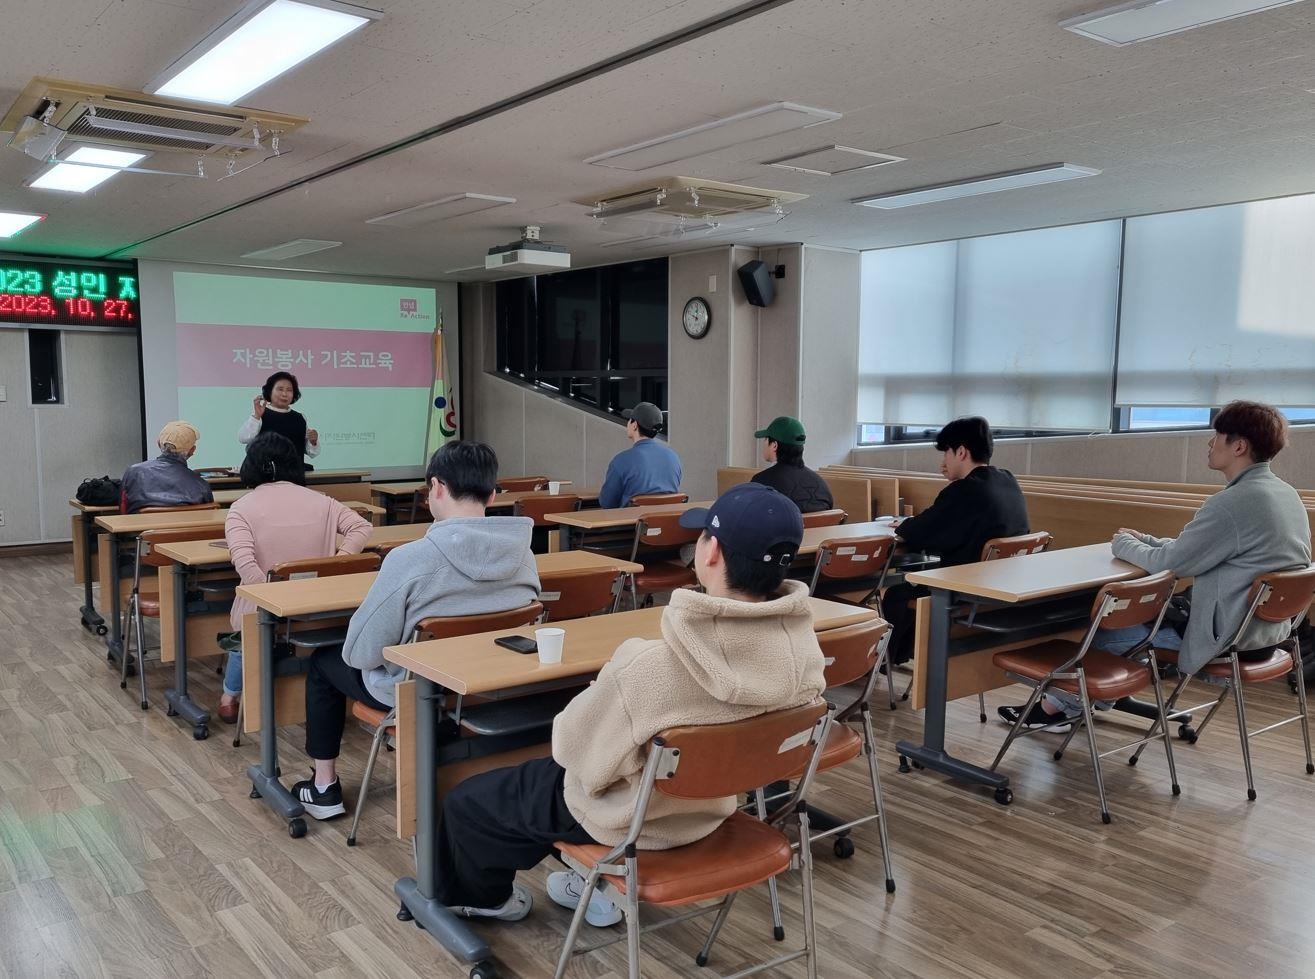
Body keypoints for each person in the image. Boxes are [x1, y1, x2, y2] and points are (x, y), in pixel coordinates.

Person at [425, 482, 825, 926]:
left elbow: (574, 754)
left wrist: (605, 692)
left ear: (711, 553)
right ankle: (587, 881)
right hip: (711, 810)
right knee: (534, 791)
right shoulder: (805, 657)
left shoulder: (648, 665)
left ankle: (483, 900)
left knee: (471, 800)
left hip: (631, 823)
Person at [1001, 400, 1312, 731]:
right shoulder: (1284, 494)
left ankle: (1058, 710)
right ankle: (1085, 703)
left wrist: (1123, 544)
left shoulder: (1232, 503)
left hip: (1225, 640)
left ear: (1239, 445)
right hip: (1266, 637)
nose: (1210, 442)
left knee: (1108, 628)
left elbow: (1173, 563)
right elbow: (1197, 550)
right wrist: (1147, 540)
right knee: (1136, 618)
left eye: (1217, 435)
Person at [290, 441, 540, 819]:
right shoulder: (524, 553)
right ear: (492, 494)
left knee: (325, 662)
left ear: (436, 487)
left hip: (423, 693)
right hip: (493, 689)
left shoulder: (410, 558)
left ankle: (324, 787)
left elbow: (359, 655)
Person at [218, 433, 371, 723]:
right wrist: (339, 563)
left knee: (242, 633)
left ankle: (230, 696)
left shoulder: (241, 507)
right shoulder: (323, 501)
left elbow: (246, 566)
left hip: (265, 614)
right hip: (319, 608)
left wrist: (273, 599)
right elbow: (361, 528)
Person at [880, 416, 1029, 664]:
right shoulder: (1007, 480)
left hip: (966, 590)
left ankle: (883, 662)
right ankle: (899, 658)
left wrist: (904, 524)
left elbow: (918, 531)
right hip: (1003, 587)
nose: (943, 462)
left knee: (898, 593)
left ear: (961, 451)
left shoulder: (964, 490)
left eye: (945, 453)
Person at [597, 401, 682, 508]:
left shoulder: (621, 461)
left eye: (629, 420)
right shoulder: (673, 457)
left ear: (635, 425)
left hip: (629, 523)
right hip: (665, 523)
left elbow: (607, 503)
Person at [119, 421, 214, 513]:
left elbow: (123, 511)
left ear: (158, 443)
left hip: (141, 529)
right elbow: (208, 516)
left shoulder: (133, 472)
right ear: (192, 450)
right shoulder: (202, 485)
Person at [751, 415, 834, 513]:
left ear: (774, 445)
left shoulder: (761, 482)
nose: (763, 443)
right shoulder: (820, 485)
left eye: (765, 439)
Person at [238, 371, 320, 464]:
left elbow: (312, 453)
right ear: (270, 391)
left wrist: (313, 441)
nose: (284, 394)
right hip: (263, 475)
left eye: (289, 390)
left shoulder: (300, 418)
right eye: (280, 389)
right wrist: (256, 417)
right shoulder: (260, 413)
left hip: (294, 475)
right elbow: (243, 438)